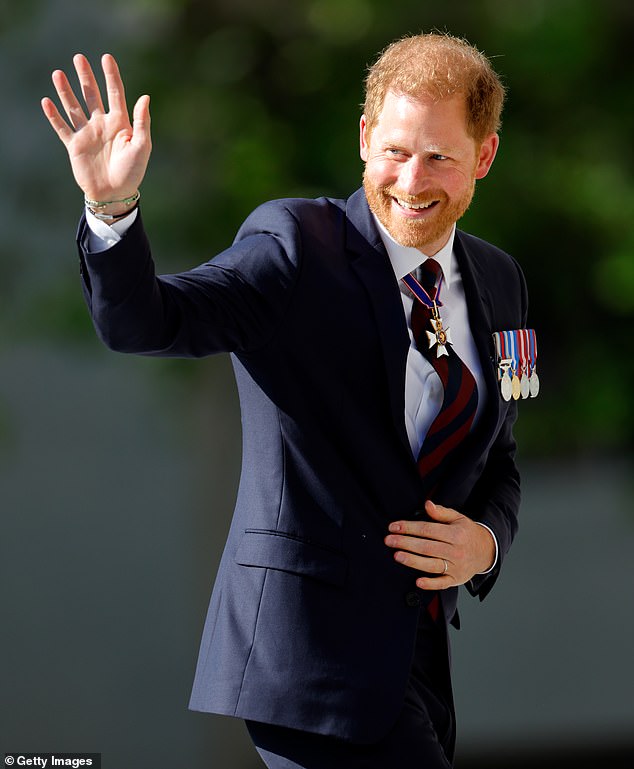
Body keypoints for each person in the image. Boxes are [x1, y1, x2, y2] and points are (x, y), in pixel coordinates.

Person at [42, 32, 531, 769]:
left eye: (440, 156)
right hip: (308, 664)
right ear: (365, 137)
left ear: (484, 157)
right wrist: (112, 206)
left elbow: (501, 462)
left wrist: (484, 542)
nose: (411, 179)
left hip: (419, 662)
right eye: (395, 150)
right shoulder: (297, 246)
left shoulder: (499, 280)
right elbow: (150, 323)